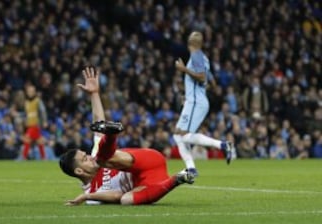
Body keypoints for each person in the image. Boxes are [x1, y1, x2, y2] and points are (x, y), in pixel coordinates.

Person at [59, 67, 194, 205]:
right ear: (79, 170)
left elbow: (98, 121)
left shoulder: (96, 157)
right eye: (85, 158)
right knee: (126, 200)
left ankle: (111, 134)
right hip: (151, 183)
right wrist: (87, 197)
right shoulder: (92, 195)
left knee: (102, 158)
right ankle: (179, 178)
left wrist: (94, 93)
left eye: (86, 154)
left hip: (146, 161)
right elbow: (118, 195)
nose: (89, 156)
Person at [173, 31, 236, 176]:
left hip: (196, 102)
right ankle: (191, 168)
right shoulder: (204, 59)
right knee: (177, 136)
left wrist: (183, 70)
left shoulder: (196, 56)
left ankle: (223, 145)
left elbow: (201, 77)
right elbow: (212, 83)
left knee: (183, 135)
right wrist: (191, 92)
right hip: (194, 100)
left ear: (191, 42)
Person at [22, 85, 48, 160]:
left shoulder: (37, 101)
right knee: (39, 141)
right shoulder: (26, 102)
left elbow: (43, 112)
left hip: (36, 124)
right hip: (29, 125)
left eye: (32, 91)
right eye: (29, 91)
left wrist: (44, 121)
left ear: (34, 92)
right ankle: (43, 157)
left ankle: (24, 157)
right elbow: (26, 114)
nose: (30, 93)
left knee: (27, 139)